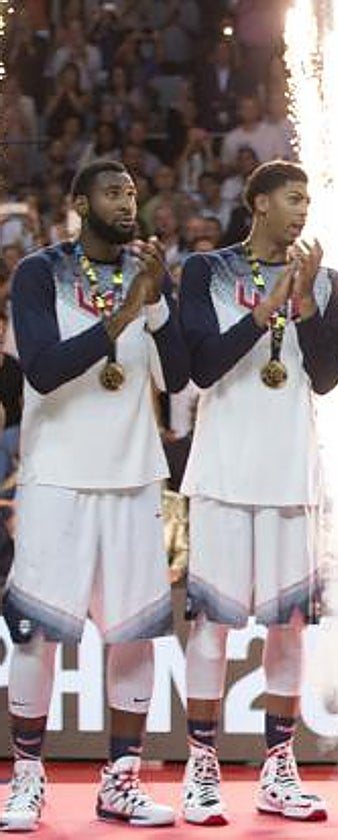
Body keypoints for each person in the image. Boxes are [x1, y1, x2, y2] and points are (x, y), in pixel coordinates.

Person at [2, 160, 190, 830]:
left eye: (134, 192)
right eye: (113, 192)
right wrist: (126, 312)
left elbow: (182, 375)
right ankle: (26, 779)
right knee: (37, 639)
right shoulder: (38, 272)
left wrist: (158, 294)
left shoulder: (146, 276)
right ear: (81, 202)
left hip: (134, 476)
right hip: (57, 475)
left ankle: (122, 781)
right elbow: (46, 369)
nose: (126, 201)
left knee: (135, 638)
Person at [177, 161, 338, 824]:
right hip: (222, 472)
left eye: (309, 197)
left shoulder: (327, 282)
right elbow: (201, 366)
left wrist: (304, 304)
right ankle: (201, 769)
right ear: (258, 202)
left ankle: (280, 769)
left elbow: (330, 377)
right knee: (211, 627)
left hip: (293, 475)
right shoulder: (206, 271)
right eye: (293, 196)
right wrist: (264, 311)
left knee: (289, 631)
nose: (303, 208)